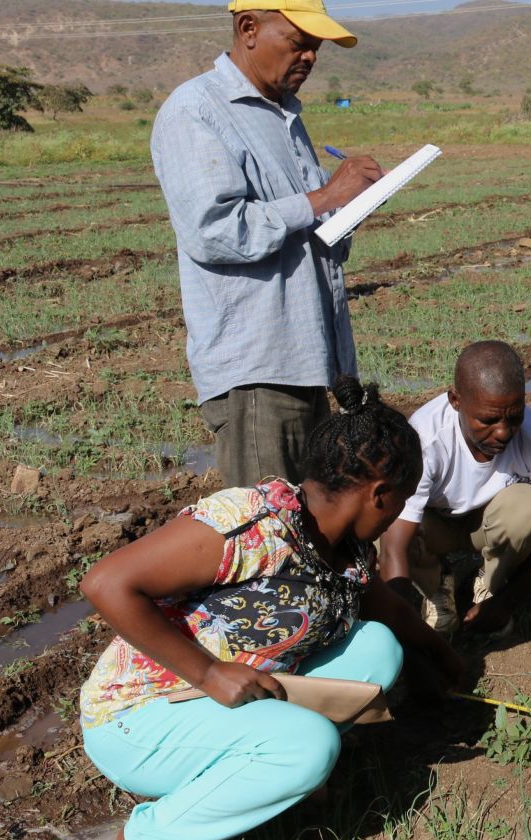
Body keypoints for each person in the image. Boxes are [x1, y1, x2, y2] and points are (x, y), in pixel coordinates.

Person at [77, 376, 465, 840]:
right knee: (310, 747)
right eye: (401, 502)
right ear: (380, 494)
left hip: (228, 700)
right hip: (140, 717)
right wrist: (209, 673)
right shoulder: (253, 526)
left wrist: (442, 655)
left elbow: (385, 608)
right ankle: (138, 836)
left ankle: (262, 774)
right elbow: (105, 583)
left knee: (377, 649)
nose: (399, 514)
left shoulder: (346, 547)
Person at [152, 0, 385, 487]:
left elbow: (314, 238)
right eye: (299, 44)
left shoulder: (284, 118)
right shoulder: (196, 110)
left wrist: (351, 205)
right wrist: (325, 195)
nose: (310, 59)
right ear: (249, 28)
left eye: (316, 49)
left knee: (305, 527)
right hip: (258, 374)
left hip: (307, 361)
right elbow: (215, 229)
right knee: (269, 533)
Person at [378, 341, 531, 637]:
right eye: (488, 420)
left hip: (489, 525)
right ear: (455, 400)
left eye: (514, 417)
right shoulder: (425, 438)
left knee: (526, 507)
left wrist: (506, 603)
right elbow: (393, 546)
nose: (503, 432)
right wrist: (403, 633)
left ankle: (490, 583)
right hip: (434, 527)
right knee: (384, 525)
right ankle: (435, 587)